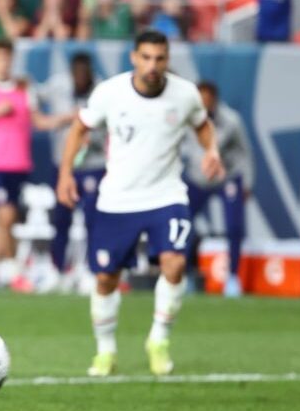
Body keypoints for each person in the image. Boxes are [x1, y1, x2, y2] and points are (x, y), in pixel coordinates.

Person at [57, 30, 224, 377]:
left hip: (167, 195)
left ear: (167, 60)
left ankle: (159, 340)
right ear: (134, 57)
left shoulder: (185, 94)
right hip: (118, 198)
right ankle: (105, 351)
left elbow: (202, 125)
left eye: (159, 58)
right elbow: (79, 128)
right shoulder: (110, 93)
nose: (152, 65)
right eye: (146, 58)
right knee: (105, 278)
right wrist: (65, 174)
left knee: (175, 264)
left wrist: (212, 151)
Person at [0, 39, 71, 291]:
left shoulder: (24, 88)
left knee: (5, 219)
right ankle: (6, 272)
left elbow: (39, 122)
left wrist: (67, 119)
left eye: (6, 57)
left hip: (18, 163)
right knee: (6, 214)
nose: (2, 63)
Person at [39, 52, 106, 293]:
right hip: (63, 164)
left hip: (93, 164)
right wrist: (54, 121)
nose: (80, 78)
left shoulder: (102, 92)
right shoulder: (58, 86)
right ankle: (57, 269)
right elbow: (34, 98)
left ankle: (90, 270)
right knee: (61, 219)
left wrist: (92, 134)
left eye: (83, 73)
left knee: (93, 219)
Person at [183, 82, 253, 297]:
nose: (204, 103)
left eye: (207, 99)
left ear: (214, 99)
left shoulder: (231, 121)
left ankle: (232, 277)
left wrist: (247, 182)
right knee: (182, 224)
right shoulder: (186, 120)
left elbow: (244, 152)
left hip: (226, 176)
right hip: (197, 177)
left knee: (234, 226)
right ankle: (185, 274)